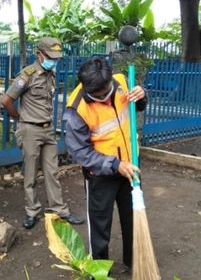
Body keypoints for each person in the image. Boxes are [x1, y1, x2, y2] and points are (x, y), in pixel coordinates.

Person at [63, 57, 147, 270]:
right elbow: (80, 152)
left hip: (131, 166)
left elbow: (138, 107)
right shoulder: (76, 108)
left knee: (133, 218)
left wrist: (142, 95)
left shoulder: (121, 81)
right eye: (98, 96)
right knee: (100, 227)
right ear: (86, 88)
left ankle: (134, 262)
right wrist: (114, 164)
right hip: (100, 176)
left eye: (106, 91)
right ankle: (99, 271)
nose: (104, 97)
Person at [0, 37, 84, 229]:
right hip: (30, 129)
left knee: (52, 172)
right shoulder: (27, 75)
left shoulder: (50, 74)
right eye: (50, 57)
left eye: (55, 58)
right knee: (30, 173)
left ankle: (59, 210)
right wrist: (19, 118)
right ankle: (32, 211)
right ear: (39, 54)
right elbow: (6, 100)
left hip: (47, 130)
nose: (54, 61)